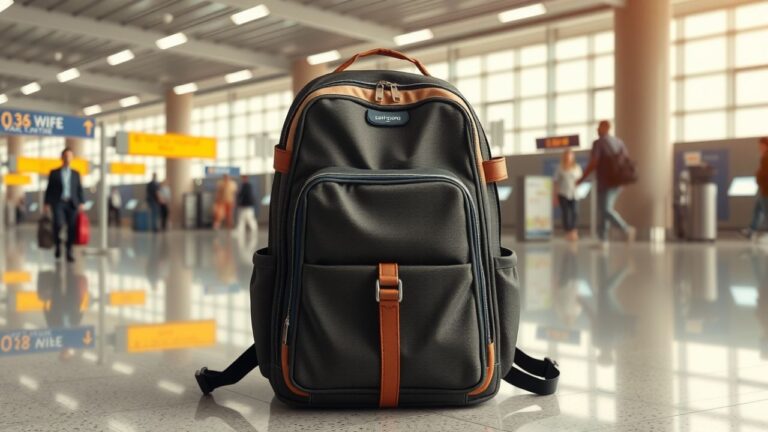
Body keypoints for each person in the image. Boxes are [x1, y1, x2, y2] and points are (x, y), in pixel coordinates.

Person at [578, 120, 636, 246]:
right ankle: (603, 239)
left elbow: (594, 163)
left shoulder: (598, 143)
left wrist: (581, 179)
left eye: (599, 127)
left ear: (605, 128)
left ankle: (625, 228)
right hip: (617, 182)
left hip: (606, 182)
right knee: (604, 209)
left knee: (605, 209)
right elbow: (626, 161)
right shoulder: (619, 142)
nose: (597, 129)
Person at [44, 147, 84, 262]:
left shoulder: (76, 173)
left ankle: (69, 250)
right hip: (58, 203)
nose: (67, 158)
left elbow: (79, 189)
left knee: (72, 227)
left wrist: (81, 202)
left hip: (72, 203)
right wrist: (46, 203)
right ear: (61, 158)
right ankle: (57, 246)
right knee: (58, 224)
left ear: (72, 158)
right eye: (65, 156)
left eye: (69, 156)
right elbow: (49, 189)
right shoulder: (54, 173)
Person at [741, 137, 768, 240]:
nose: (759, 147)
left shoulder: (766, 157)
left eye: (760, 145)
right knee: (758, 209)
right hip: (763, 189)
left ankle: (751, 231)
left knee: (765, 211)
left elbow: (764, 174)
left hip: (766, 189)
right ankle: (751, 230)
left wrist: (757, 177)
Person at [554, 149, 582, 241]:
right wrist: (555, 195)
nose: (568, 157)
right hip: (563, 193)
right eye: (567, 155)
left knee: (575, 212)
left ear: (573, 157)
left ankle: (574, 231)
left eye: (570, 155)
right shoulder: (560, 167)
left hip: (574, 194)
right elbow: (556, 182)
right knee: (566, 213)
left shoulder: (577, 167)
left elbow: (580, 179)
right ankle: (568, 231)